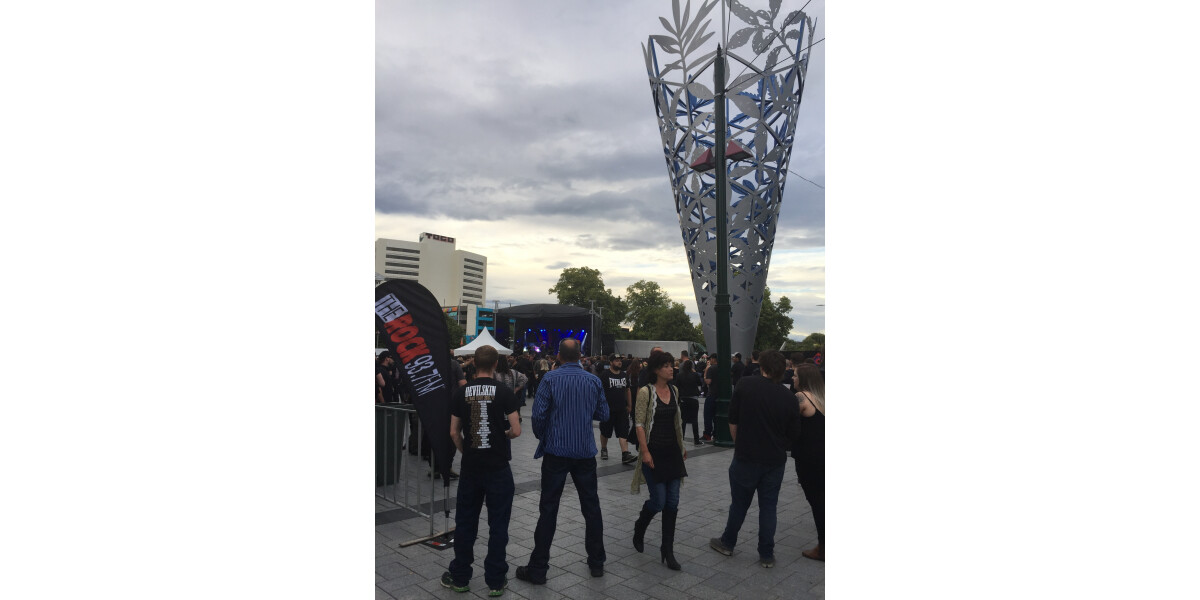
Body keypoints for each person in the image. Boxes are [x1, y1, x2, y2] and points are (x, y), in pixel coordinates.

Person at [515, 339, 609, 584]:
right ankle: (596, 561)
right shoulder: (594, 381)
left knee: (548, 509)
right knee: (591, 507)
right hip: (584, 452)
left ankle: (538, 568)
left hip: (556, 451)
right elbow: (604, 414)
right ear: (580, 355)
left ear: (559, 355)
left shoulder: (550, 379)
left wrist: (544, 435)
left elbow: (538, 416)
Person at [709, 350, 802, 569]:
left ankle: (727, 542)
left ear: (762, 366)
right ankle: (766, 553)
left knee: (739, 504)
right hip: (775, 460)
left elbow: (733, 419)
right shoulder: (789, 398)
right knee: (769, 507)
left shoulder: (746, 385)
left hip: (746, 456)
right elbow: (795, 434)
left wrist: (740, 444)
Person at [441, 345, 522, 596]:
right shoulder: (505, 392)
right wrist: (503, 434)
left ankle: (460, 576)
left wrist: (466, 450)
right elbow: (516, 431)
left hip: (472, 468)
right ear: (496, 364)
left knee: (465, 523)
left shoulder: (461, 392)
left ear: (473, 364)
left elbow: (454, 432)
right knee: (499, 525)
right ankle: (496, 581)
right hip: (498, 467)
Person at [630, 351, 688, 571]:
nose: (670, 368)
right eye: (665, 365)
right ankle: (640, 526)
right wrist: (644, 452)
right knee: (659, 501)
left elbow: (677, 422)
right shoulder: (646, 392)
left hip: (672, 452)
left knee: (672, 502)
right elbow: (639, 424)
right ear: (655, 370)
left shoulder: (674, 390)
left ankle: (668, 549)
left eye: (671, 365)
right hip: (653, 453)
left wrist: (682, 446)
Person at [792, 363, 825, 562]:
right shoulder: (823, 397)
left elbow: (789, 423)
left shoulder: (801, 397)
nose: (793, 378)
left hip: (809, 458)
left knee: (817, 501)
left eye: (795, 375)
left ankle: (823, 547)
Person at [598, 354, 635, 464]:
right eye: (617, 360)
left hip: (621, 409)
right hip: (608, 409)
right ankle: (604, 449)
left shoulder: (623, 375)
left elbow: (627, 390)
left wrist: (629, 405)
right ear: (611, 362)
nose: (619, 362)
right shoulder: (605, 375)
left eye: (620, 361)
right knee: (605, 431)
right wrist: (601, 406)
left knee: (623, 431)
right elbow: (600, 392)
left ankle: (625, 454)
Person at [673, 359, 704, 446]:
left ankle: (681, 439)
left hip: (683, 399)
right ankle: (696, 440)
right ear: (691, 367)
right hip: (693, 398)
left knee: (683, 419)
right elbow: (700, 383)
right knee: (694, 419)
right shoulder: (695, 375)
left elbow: (677, 386)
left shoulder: (679, 375)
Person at [701, 354, 718, 442]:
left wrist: (705, 374)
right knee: (716, 416)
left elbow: (708, 381)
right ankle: (716, 434)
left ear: (713, 359)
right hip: (719, 395)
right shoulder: (722, 368)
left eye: (710, 359)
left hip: (711, 394)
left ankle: (707, 434)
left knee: (708, 415)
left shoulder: (711, 368)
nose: (710, 360)